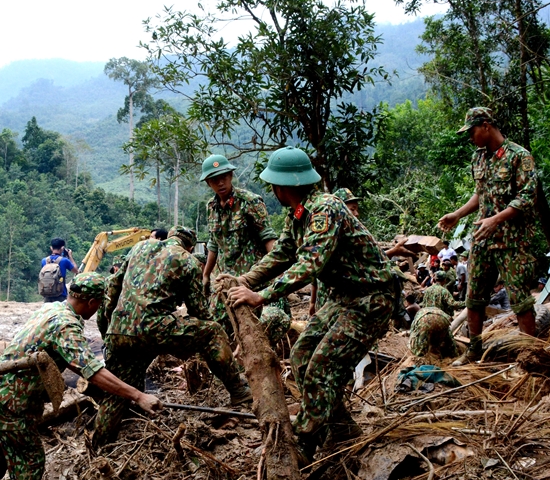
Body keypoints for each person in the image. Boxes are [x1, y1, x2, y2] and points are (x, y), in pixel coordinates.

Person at [227, 147, 400, 461]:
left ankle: (305, 443)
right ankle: (342, 427)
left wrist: (261, 296)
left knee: (323, 365)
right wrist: (246, 280)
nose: (273, 191)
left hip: (372, 298)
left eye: (274, 185)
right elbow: (280, 255)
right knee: (303, 355)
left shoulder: (324, 208)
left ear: (284, 186)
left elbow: (310, 265)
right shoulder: (298, 216)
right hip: (346, 297)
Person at [0, 273, 164, 480]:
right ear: (92, 303)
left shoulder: (52, 309)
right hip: (12, 398)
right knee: (29, 458)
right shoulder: (66, 325)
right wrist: (138, 396)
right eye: (99, 304)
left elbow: (70, 359)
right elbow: (90, 370)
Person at [94, 226, 253, 448]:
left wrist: (108, 332)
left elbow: (112, 291)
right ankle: (239, 392)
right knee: (213, 331)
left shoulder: (139, 247)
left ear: (169, 238)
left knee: (118, 392)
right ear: (189, 246)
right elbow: (200, 312)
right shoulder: (187, 261)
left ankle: (99, 448)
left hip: (120, 331)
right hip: (155, 329)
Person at [438, 107, 543, 363]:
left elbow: (528, 198)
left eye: (472, 131)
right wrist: (457, 214)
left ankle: (530, 355)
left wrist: (496, 219)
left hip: (512, 241)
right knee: (473, 296)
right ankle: (474, 350)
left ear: (486, 126)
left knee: (519, 299)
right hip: (483, 238)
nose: (470, 137)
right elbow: (480, 194)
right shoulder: (480, 157)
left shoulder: (520, 156)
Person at [198, 153, 290, 344]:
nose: (220, 183)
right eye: (215, 180)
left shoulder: (250, 201)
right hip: (226, 282)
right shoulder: (211, 207)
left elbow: (268, 237)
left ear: (231, 176)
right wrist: (206, 275)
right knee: (219, 333)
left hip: (254, 280)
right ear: (208, 183)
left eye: (224, 177)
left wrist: (280, 272)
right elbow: (214, 243)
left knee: (262, 329)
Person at [38, 238, 77, 303]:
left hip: (47, 296)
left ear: (51, 248)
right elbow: (76, 270)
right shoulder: (64, 260)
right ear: (62, 248)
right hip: (61, 295)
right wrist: (70, 256)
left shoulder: (44, 260)